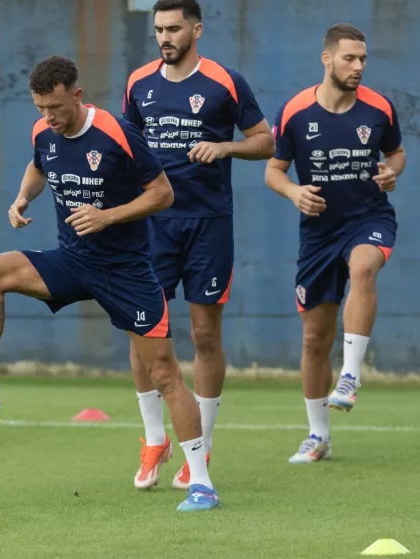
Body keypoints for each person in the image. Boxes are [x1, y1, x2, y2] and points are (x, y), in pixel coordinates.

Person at [0, 56, 220, 512]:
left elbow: (163, 194)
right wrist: (22, 198)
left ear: (77, 95)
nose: (49, 117)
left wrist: (108, 216)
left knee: (164, 372)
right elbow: (39, 166)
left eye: (56, 107)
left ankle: (201, 481)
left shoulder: (117, 133)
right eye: (41, 108)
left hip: (126, 272)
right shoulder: (42, 132)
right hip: (72, 260)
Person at [121, 0, 274, 490]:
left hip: (209, 224)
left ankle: (200, 448)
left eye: (173, 28)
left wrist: (226, 146)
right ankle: (153, 439)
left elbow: (265, 140)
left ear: (197, 29)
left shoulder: (226, 82)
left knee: (205, 334)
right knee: (141, 331)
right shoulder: (138, 83)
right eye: (158, 29)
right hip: (153, 225)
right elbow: (126, 146)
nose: (164, 37)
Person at [265, 23, 405, 463]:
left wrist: (391, 171)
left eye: (363, 59)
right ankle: (318, 435)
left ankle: (350, 375)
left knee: (364, 268)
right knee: (313, 340)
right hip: (319, 233)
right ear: (327, 59)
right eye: (350, 58)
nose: (359, 66)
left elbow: (396, 153)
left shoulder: (379, 108)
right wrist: (293, 192)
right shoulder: (294, 111)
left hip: (369, 218)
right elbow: (274, 170)